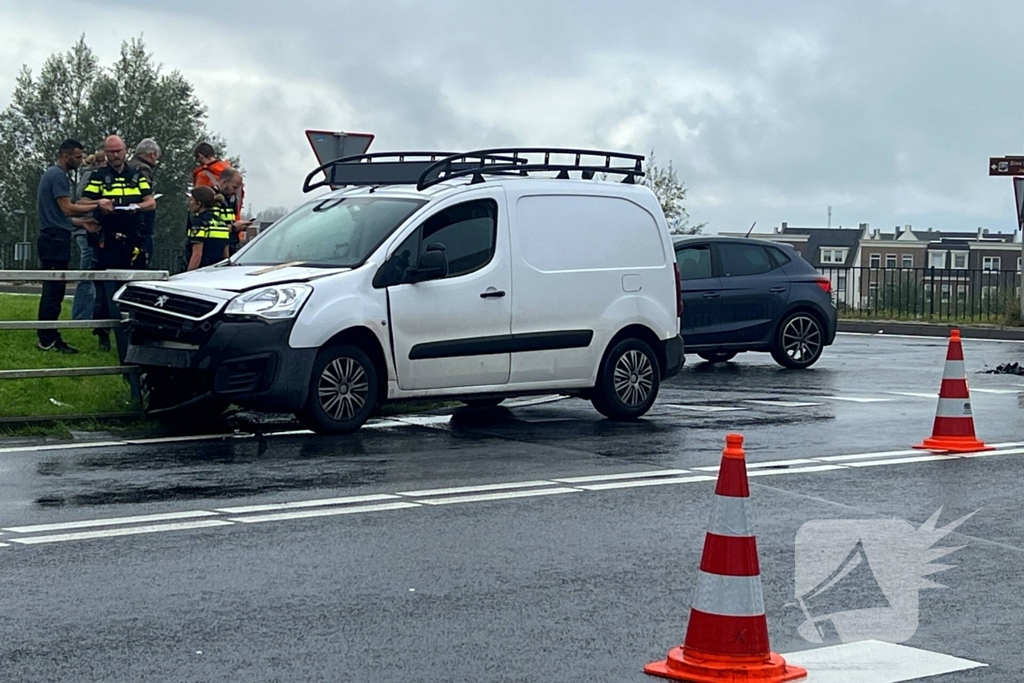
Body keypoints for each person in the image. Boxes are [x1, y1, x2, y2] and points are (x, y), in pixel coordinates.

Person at [81, 134, 155, 357]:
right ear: (105, 152)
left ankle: (134, 335)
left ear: (126, 150)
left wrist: (136, 207)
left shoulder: (137, 175)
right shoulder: (99, 176)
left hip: (133, 239)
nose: (115, 156)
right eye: (111, 152)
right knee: (106, 291)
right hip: (108, 240)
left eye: (119, 151)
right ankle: (103, 333)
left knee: (134, 289)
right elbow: (83, 203)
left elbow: (151, 202)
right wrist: (99, 203)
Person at [35, 138, 102, 353]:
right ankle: (47, 339)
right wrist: (97, 204)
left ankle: (49, 335)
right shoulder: (58, 176)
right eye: (78, 157)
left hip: (56, 235)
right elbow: (66, 209)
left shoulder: (53, 175)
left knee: (56, 290)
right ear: (66, 156)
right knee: (53, 291)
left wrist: (83, 223)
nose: (81, 161)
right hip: (54, 240)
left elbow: (60, 216)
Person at [70, 150, 106, 322]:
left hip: (84, 229)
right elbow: (83, 203)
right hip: (87, 229)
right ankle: (81, 317)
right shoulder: (93, 177)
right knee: (86, 275)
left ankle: (86, 314)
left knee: (89, 275)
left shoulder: (86, 176)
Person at [127, 138, 161, 260]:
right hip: (141, 218)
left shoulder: (128, 165)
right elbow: (145, 193)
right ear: (152, 154)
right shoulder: (143, 168)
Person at [185, 186, 231, 271]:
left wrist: (187, 276)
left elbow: (197, 255)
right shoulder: (222, 223)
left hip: (202, 271)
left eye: (191, 200)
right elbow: (225, 256)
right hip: (217, 272)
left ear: (199, 204)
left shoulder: (199, 222)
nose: (189, 203)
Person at [213, 167, 252, 253]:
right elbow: (209, 228)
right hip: (215, 251)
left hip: (228, 247)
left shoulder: (229, 199)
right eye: (234, 187)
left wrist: (238, 228)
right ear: (224, 182)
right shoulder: (211, 199)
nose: (235, 191)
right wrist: (234, 228)